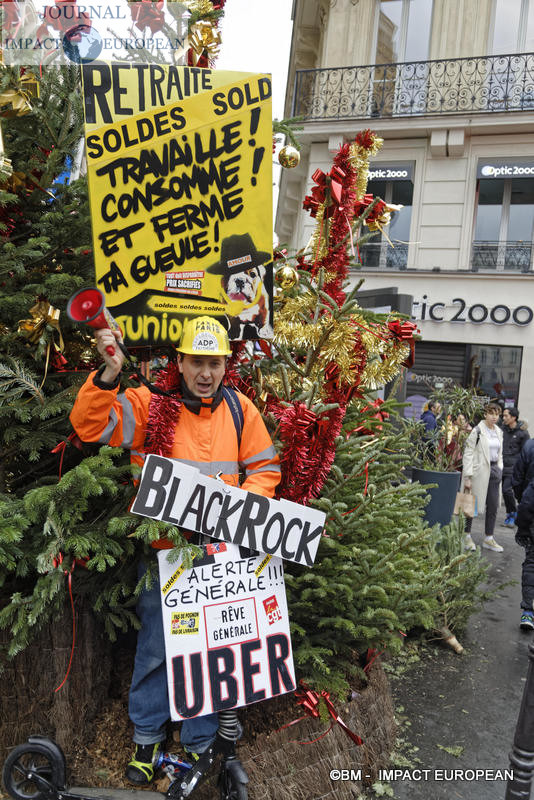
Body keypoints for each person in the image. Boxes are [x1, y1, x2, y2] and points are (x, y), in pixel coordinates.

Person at [70, 316, 281, 784]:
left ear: (226, 364)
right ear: (179, 362)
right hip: (163, 554)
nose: (205, 373)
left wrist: (245, 506)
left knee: (208, 649)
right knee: (156, 649)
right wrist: (108, 374)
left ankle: (200, 744)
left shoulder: (242, 410)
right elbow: (89, 426)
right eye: (196, 362)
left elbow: (265, 468)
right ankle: (147, 739)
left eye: (214, 363)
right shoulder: (150, 404)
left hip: (219, 556)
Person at [461, 402, 504, 553]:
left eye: (497, 414)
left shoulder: (498, 431)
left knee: (493, 506)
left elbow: (500, 453)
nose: (494, 417)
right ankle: (466, 536)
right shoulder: (477, 430)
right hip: (479, 471)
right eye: (491, 413)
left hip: (494, 471)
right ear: (485, 414)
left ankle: (488, 538)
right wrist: (468, 476)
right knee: (470, 505)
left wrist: (500, 467)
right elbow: (468, 453)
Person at [512, 439, 534, 629]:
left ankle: (528, 612)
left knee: (531, 561)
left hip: (531, 509)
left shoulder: (530, 446)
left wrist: (523, 499)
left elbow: (517, 478)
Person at [501, 407, 529, 527]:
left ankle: (513, 513)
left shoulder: (523, 433)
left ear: (513, 417)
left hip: (513, 467)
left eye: (506, 416)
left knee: (506, 490)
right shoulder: (502, 430)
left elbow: (526, 451)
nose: (504, 418)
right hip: (501, 465)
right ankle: (511, 513)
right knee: (505, 491)